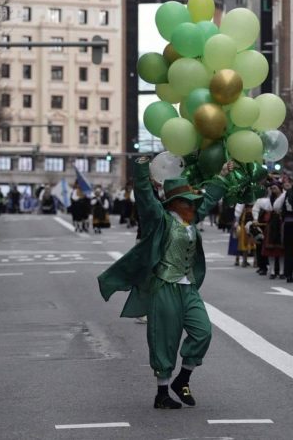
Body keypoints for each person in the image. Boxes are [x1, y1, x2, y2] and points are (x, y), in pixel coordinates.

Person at [98, 157, 234, 409]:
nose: (194, 204)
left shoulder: (191, 219)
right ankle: (162, 393)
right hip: (165, 286)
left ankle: (182, 379)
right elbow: (145, 198)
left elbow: (211, 197)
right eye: (188, 201)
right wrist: (140, 169)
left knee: (203, 331)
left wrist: (223, 174)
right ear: (175, 202)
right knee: (165, 339)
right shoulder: (159, 218)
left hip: (188, 287)